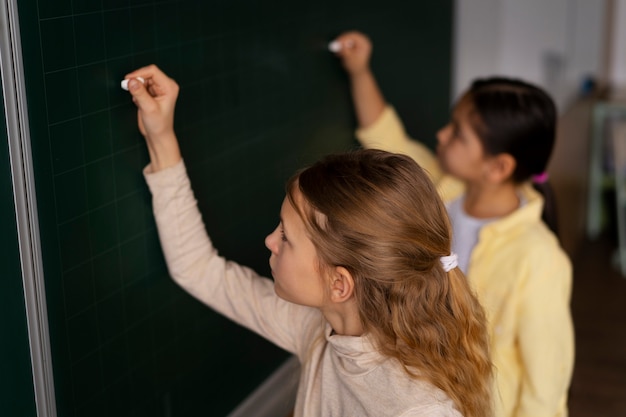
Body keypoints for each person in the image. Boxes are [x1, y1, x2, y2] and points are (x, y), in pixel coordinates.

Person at [123, 65, 493, 417]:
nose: (269, 240)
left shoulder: (417, 409)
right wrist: (161, 138)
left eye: (286, 236)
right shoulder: (324, 330)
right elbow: (200, 270)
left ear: (339, 283)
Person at [331, 31, 575, 417]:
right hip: (419, 390)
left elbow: (546, 385)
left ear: (498, 167)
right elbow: (385, 135)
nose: (442, 134)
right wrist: (359, 71)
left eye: (458, 133)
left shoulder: (539, 258)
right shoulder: (439, 191)